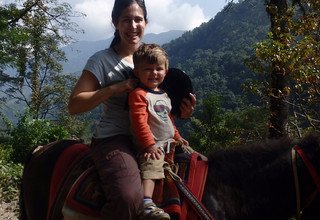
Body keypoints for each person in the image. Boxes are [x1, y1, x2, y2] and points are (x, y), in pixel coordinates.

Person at [68, 0, 196, 219]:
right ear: (115, 23)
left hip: (156, 138)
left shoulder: (152, 59)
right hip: (115, 138)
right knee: (128, 197)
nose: (133, 25)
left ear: (145, 22)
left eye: (138, 19)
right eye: (126, 20)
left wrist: (182, 114)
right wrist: (116, 87)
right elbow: (75, 105)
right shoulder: (101, 60)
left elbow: (158, 107)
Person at [128, 43, 188, 220]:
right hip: (151, 145)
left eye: (158, 69)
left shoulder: (163, 94)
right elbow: (139, 121)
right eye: (147, 69)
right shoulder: (138, 94)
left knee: (191, 157)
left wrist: (177, 136)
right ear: (137, 72)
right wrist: (149, 145)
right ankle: (146, 202)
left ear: (166, 70)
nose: (154, 73)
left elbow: (167, 119)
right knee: (152, 166)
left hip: (168, 143)